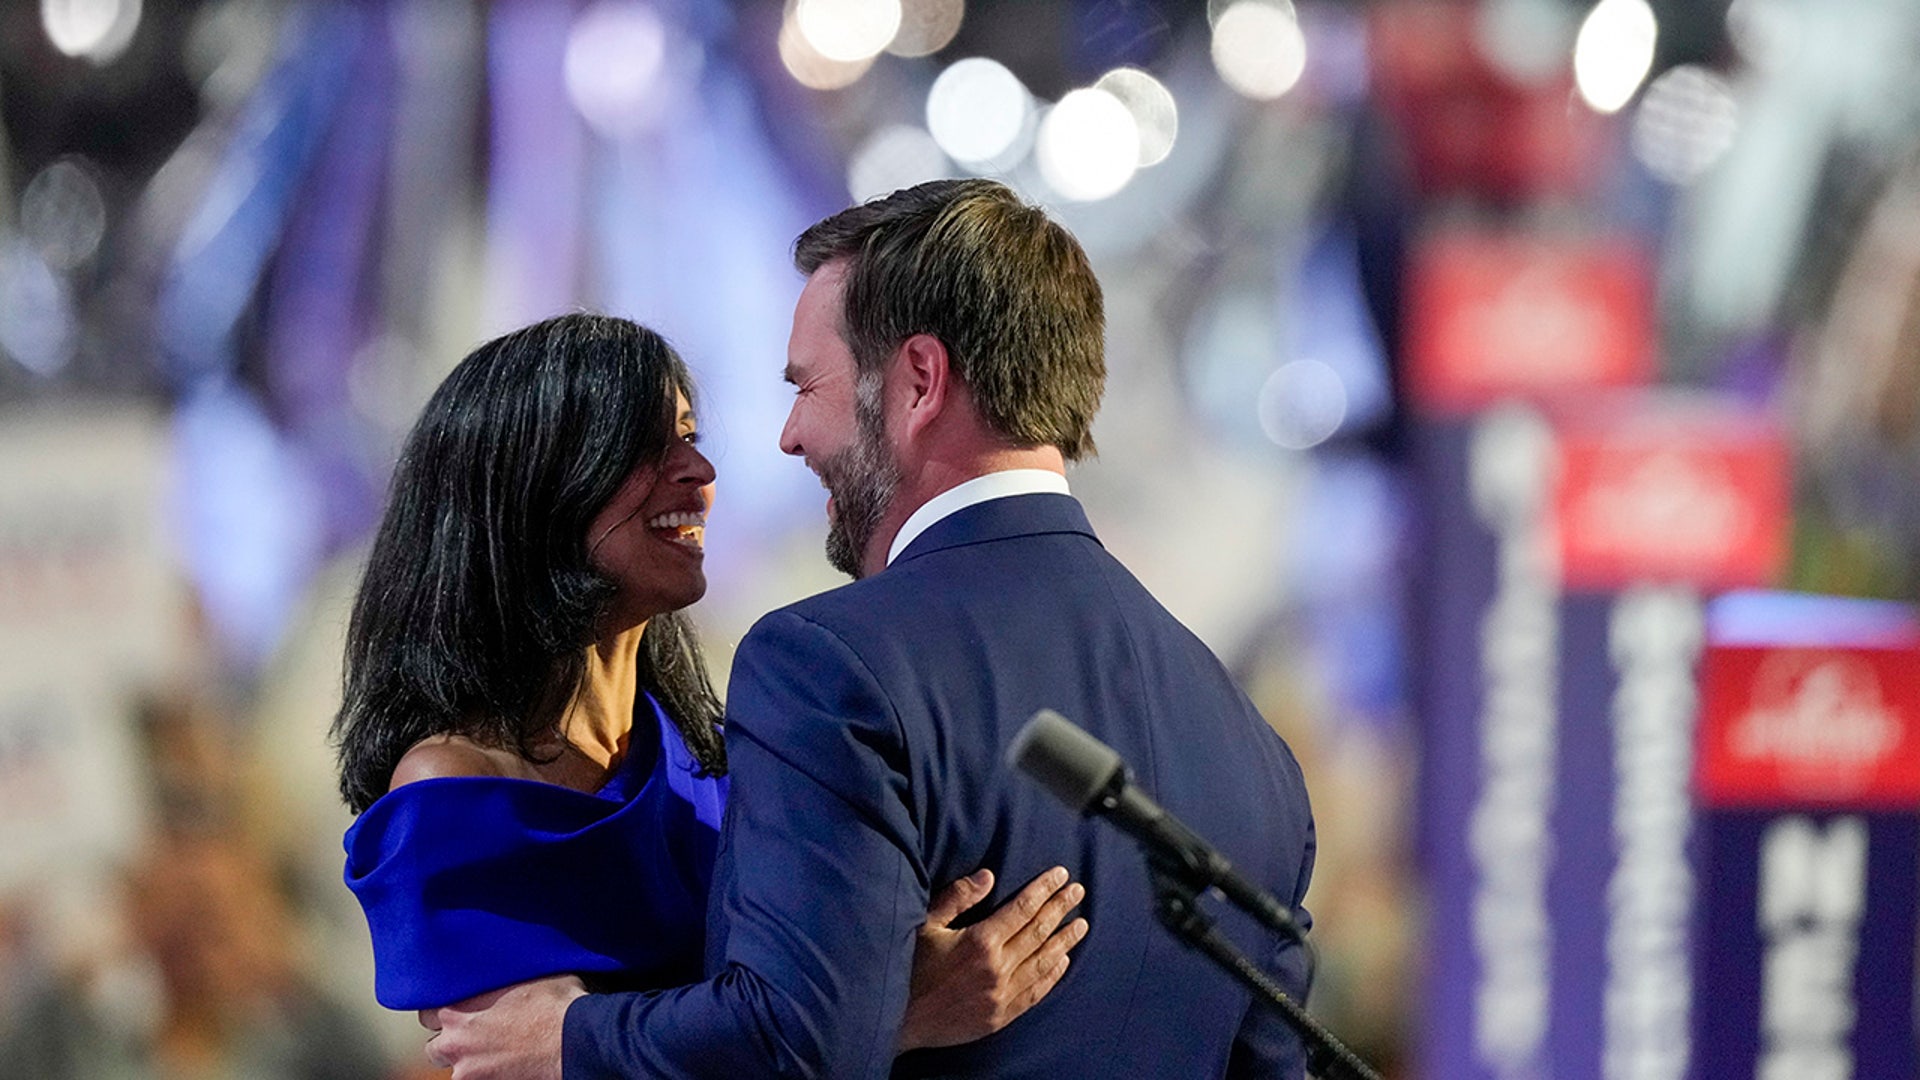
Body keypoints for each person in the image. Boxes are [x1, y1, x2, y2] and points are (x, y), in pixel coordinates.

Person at [428, 179, 1318, 1079]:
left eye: (807, 384)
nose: (789, 436)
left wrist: (568, 1042)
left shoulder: (829, 666)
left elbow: (794, 1040)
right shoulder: (1253, 751)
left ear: (919, 382)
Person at [331, 315, 1086, 1057]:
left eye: (687, 438)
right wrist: (884, 1015)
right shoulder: (450, 792)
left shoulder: (716, 754)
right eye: (642, 446)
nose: (698, 472)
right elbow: (529, 1063)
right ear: (533, 486)